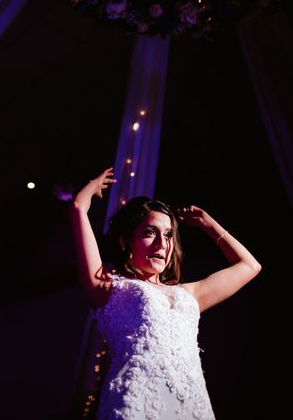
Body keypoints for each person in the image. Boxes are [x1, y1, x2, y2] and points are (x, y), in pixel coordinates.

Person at [69, 167, 262, 420]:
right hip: (136, 406)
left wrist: (209, 224)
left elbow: (250, 266)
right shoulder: (110, 287)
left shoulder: (188, 294)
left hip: (192, 407)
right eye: (150, 233)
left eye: (169, 235)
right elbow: (77, 208)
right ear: (126, 241)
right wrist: (87, 194)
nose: (162, 244)